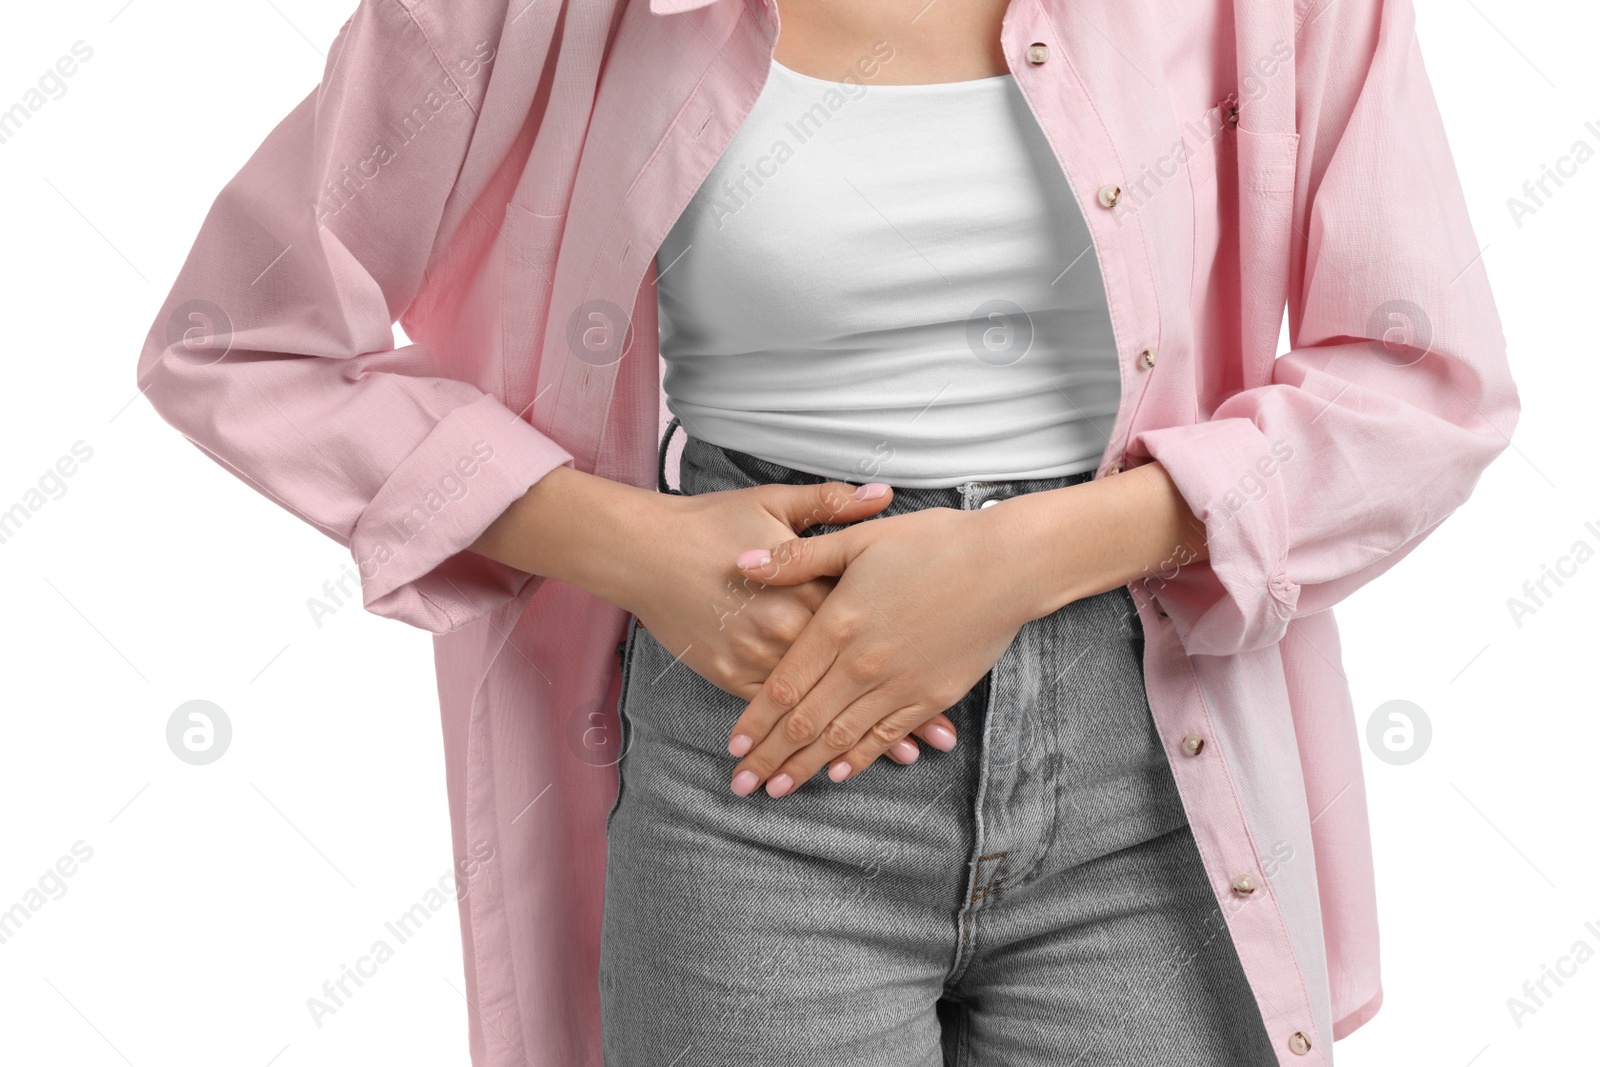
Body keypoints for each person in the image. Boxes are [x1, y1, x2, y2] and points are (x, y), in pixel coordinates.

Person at [137, 0, 1520, 1064]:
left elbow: (1423, 379)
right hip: (757, 766)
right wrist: (633, 547)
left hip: (1150, 774)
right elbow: (238, 339)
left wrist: (1020, 563)